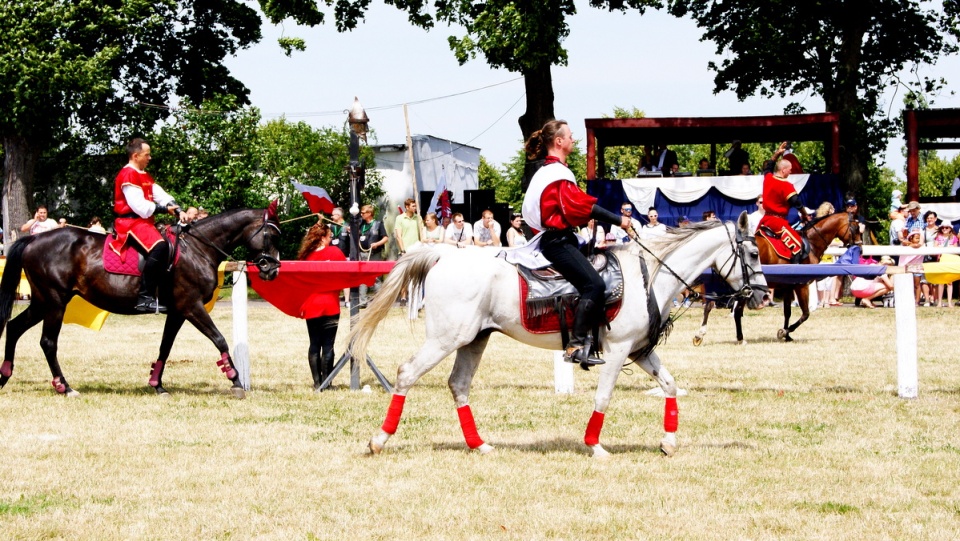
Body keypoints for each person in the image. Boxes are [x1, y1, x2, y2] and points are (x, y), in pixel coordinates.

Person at [520, 119, 633, 366]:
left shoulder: (549, 172)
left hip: (562, 238)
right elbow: (580, 206)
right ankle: (575, 345)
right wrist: (619, 220)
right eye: (570, 136)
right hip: (556, 241)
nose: (573, 140)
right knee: (593, 285)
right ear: (559, 142)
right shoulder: (557, 173)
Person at [111, 138, 180, 313]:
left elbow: (160, 195)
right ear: (135, 155)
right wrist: (166, 210)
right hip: (130, 222)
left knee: (173, 243)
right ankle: (145, 297)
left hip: (143, 221)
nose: (150, 158)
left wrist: (178, 209)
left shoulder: (144, 174)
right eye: (147, 155)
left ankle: (163, 294)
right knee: (160, 246)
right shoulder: (128, 174)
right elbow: (140, 207)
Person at [296, 221, 347, 391]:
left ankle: (317, 382)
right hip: (330, 303)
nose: (331, 240)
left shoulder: (305, 256)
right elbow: (345, 274)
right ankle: (327, 383)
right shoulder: (335, 252)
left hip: (311, 303)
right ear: (324, 238)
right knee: (328, 344)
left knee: (314, 343)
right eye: (330, 237)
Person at [759, 141, 809, 263]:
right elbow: (797, 202)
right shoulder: (786, 185)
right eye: (790, 170)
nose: (791, 172)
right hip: (777, 223)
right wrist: (804, 214)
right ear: (783, 170)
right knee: (798, 246)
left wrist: (777, 153)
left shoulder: (768, 178)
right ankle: (793, 276)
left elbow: (768, 167)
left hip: (764, 221)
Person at [357, 204, 388, 304]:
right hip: (362, 253)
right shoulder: (361, 224)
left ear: (369, 213)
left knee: (376, 277)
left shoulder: (378, 224)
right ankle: (363, 301)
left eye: (363, 213)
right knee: (362, 277)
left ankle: (379, 300)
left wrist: (377, 244)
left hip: (375, 254)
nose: (361, 214)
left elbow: (385, 238)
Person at [934, 223, 958, 307]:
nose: (944, 229)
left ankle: (949, 302)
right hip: (941, 260)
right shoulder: (938, 237)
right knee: (941, 281)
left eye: (946, 227)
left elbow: (956, 250)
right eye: (943, 227)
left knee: (949, 282)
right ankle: (939, 302)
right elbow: (935, 247)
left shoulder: (954, 238)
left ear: (950, 229)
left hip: (950, 260)